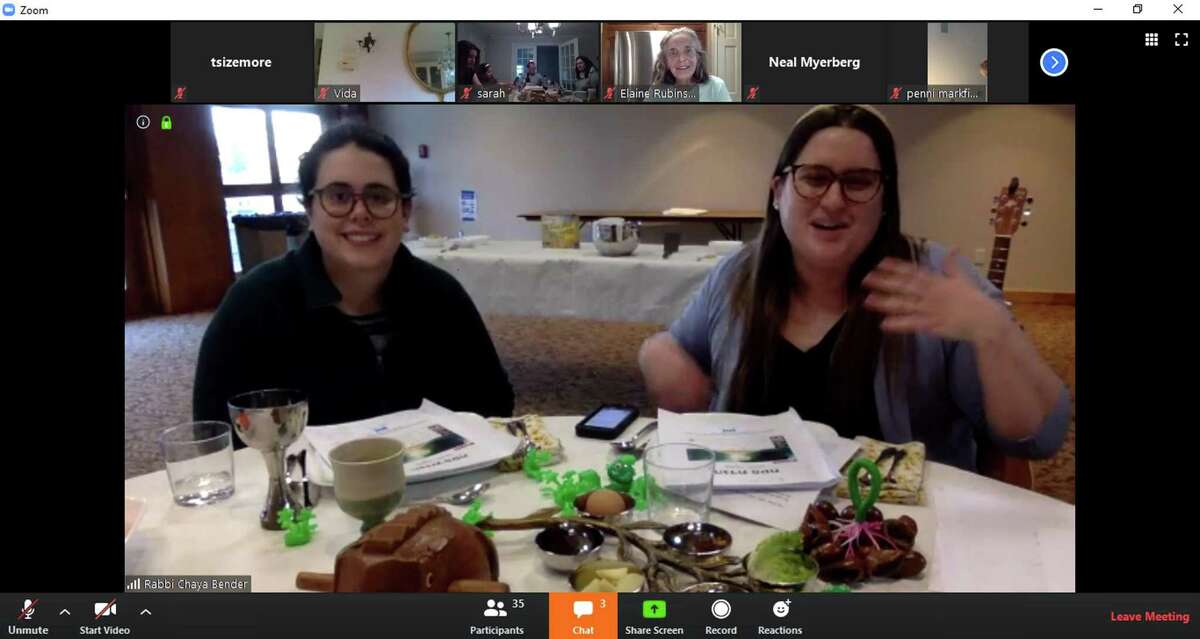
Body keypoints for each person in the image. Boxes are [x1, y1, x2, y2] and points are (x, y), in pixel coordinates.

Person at [638, 105, 1070, 472]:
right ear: (778, 191)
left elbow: (1037, 439)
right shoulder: (738, 274)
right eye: (814, 177)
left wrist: (994, 333)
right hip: (749, 527)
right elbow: (675, 352)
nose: (832, 200)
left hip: (895, 537)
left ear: (885, 201)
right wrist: (656, 353)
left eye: (858, 182)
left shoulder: (936, 280)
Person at [194, 122, 514, 444]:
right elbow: (214, 435)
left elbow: (493, 406)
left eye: (378, 196)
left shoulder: (441, 295)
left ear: (404, 212)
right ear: (309, 209)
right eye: (338, 196)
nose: (360, 213)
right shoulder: (253, 304)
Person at [650, 27, 731, 102]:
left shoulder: (716, 87)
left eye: (688, 51)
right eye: (673, 52)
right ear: (665, 61)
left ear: (698, 56)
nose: (681, 59)